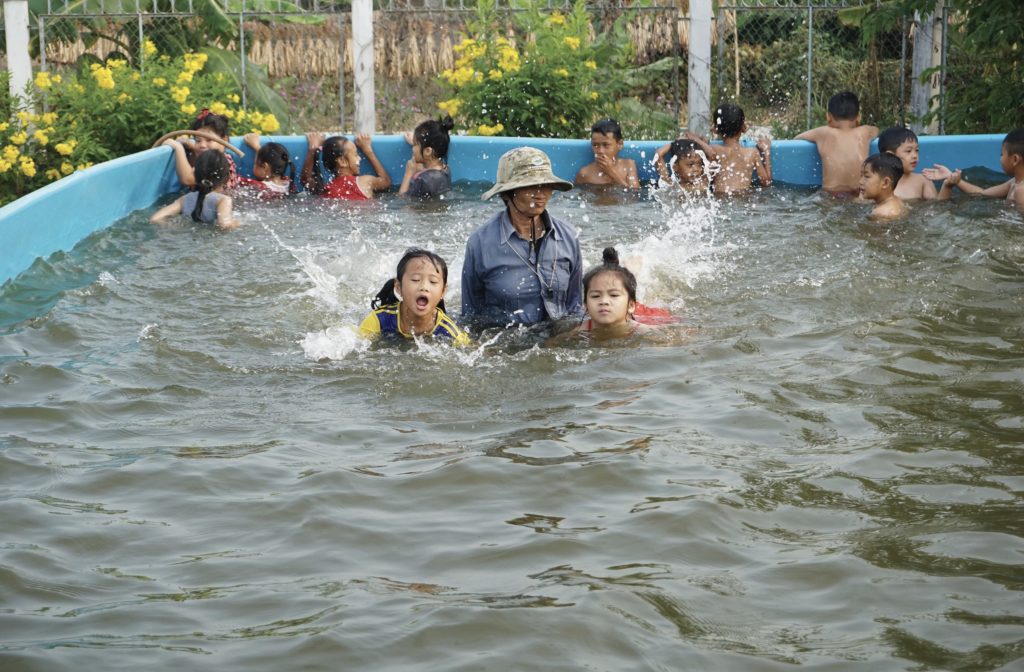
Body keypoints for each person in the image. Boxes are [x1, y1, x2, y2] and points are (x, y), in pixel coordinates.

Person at [461, 146, 582, 328]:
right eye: (530, 186)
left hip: (559, 344)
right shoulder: (480, 244)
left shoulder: (568, 237)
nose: (540, 194)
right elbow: (470, 316)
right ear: (507, 193)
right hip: (506, 346)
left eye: (546, 186)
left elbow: (575, 308)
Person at [358, 248, 470, 345]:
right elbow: (356, 343)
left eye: (433, 281)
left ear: (443, 291)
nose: (424, 287)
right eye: (415, 279)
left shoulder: (450, 333)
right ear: (398, 287)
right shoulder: (378, 320)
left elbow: (469, 350)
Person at [795, 91, 879, 195]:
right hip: (859, 193)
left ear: (828, 117)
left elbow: (797, 139)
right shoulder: (864, 132)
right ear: (858, 117)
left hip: (830, 195)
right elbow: (876, 130)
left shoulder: (823, 133)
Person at [682, 103, 771, 195]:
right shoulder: (752, 153)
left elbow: (709, 159)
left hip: (721, 199)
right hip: (744, 199)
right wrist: (766, 151)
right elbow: (766, 182)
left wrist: (696, 139)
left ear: (716, 129)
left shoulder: (714, 150)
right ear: (743, 128)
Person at [923, 128, 1024, 207]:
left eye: (1002, 154)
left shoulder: (1021, 190)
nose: (1000, 158)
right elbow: (982, 193)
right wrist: (955, 179)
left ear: (1015, 159)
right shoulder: (1013, 182)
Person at [571, 247, 654, 342]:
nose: (603, 301)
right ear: (585, 306)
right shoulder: (579, 332)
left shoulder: (645, 330)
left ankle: (632, 271)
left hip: (642, 314)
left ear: (631, 306)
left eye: (614, 295)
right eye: (595, 296)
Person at [150, 150, 239, 229]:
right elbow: (224, 225)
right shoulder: (223, 200)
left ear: (195, 175)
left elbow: (155, 219)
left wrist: (177, 228)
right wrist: (239, 223)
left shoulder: (185, 199)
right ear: (226, 178)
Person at [162, 109, 242, 190]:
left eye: (209, 140)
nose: (202, 145)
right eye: (198, 140)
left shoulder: (216, 161)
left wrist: (178, 148)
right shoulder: (224, 157)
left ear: (224, 141)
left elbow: (187, 179)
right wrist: (192, 147)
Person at [300, 132, 391, 200]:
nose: (359, 158)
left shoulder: (325, 188)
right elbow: (386, 182)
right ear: (342, 161)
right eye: (355, 155)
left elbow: (305, 180)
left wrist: (312, 149)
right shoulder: (364, 182)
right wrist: (368, 150)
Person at [574, 118, 639, 191]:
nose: (600, 151)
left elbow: (634, 195)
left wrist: (611, 172)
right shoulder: (584, 174)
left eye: (606, 145)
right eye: (595, 145)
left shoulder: (628, 165)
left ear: (619, 144)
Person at [399, 116, 454, 198]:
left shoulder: (423, 181)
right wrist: (417, 142)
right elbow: (426, 167)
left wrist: (408, 174)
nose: (413, 149)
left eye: (414, 145)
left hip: (424, 211)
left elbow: (403, 201)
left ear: (428, 151)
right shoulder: (445, 170)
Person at [877, 127, 937, 200]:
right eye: (908, 151)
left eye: (917, 150)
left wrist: (947, 185)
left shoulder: (923, 181)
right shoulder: (877, 183)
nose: (915, 156)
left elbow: (937, 205)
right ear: (891, 156)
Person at [859, 153, 906, 219]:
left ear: (885, 183)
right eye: (861, 176)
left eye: (866, 176)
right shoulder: (899, 201)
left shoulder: (880, 213)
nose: (860, 182)